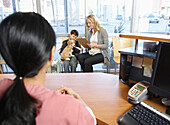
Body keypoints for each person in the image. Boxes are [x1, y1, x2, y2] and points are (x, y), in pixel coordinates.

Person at [0, 12, 96, 125]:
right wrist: (77, 100)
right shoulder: (72, 109)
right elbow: (91, 121)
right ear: (51, 55)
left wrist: (49, 98)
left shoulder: (2, 86)